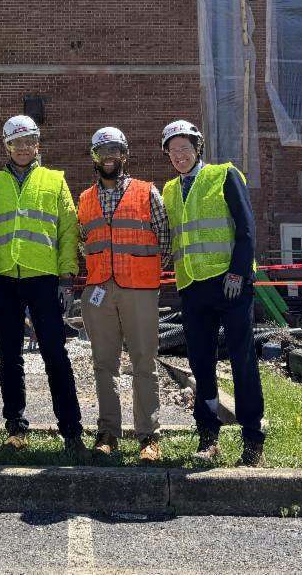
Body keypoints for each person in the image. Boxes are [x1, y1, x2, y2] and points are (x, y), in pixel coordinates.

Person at [161, 119, 265, 467]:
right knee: (201, 363)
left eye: (184, 149)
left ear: (197, 148)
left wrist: (238, 271)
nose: (179, 156)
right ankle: (208, 436)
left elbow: (246, 228)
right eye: (173, 152)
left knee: (242, 359)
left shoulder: (224, 175)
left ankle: (252, 439)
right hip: (192, 286)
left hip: (230, 284)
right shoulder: (170, 191)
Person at [0, 114, 88, 458]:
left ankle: (71, 429)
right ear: (6, 145)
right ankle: (15, 425)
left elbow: (68, 230)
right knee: (9, 358)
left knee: (55, 355)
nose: (23, 148)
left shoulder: (55, 180)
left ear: (38, 144)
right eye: (17, 142)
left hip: (44, 280)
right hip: (3, 280)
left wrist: (66, 277)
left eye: (29, 141)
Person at [77, 127, 169, 462]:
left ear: (125, 155)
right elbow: (81, 241)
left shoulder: (147, 193)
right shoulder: (85, 199)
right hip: (99, 289)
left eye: (115, 150)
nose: (109, 156)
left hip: (140, 291)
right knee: (104, 365)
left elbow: (165, 239)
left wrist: (146, 272)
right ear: (95, 157)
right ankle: (108, 433)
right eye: (103, 151)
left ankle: (149, 436)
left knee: (145, 363)